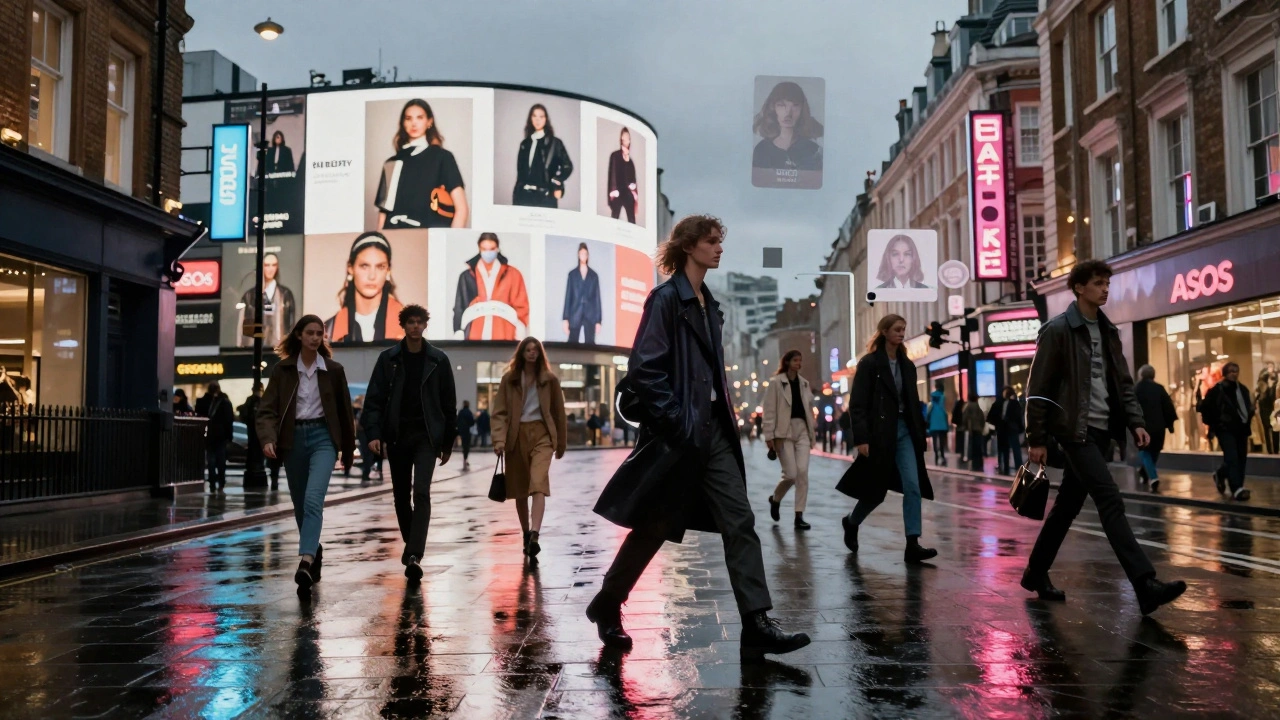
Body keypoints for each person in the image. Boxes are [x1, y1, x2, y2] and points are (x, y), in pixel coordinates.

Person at [589, 215, 810, 661]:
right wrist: (676, 422)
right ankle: (607, 603)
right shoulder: (666, 300)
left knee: (740, 521)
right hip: (681, 433)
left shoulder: (711, 305)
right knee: (653, 526)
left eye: (719, 242)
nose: (719, 248)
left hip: (715, 431)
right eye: (711, 242)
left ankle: (756, 623)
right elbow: (645, 369)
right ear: (689, 247)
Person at [1022, 259, 1186, 615]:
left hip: (1099, 432)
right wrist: (1036, 438)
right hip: (1074, 432)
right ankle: (1145, 584)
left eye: (1107, 283)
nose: (1105, 289)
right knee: (1110, 499)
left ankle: (1035, 572)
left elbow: (1123, 386)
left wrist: (1136, 422)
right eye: (1098, 283)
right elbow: (1037, 390)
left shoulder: (1109, 332)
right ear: (1079, 288)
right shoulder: (1058, 330)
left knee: (1067, 507)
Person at [257, 315, 356, 590]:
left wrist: (347, 450)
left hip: (323, 438)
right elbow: (266, 410)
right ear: (299, 335)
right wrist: (268, 438)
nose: (315, 338)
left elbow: (346, 414)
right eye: (310, 333)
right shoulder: (283, 370)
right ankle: (315, 549)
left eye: (320, 334)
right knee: (300, 505)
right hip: (293, 440)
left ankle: (306, 560)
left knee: (314, 499)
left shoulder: (334, 370)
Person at [361, 304, 458, 582]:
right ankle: (412, 548)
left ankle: (414, 554)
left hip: (427, 436)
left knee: (422, 493)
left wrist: (448, 440)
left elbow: (448, 403)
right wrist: (374, 434)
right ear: (403, 325)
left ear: (425, 325)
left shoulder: (438, 360)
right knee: (401, 496)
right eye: (410, 322)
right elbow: (374, 400)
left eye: (419, 322)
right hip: (397, 435)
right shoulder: (388, 359)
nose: (415, 326)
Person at [836, 314, 938, 564]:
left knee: (913, 486)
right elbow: (857, 404)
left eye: (904, 329)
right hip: (880, 434)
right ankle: (851, 522)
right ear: (884, 332)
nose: (902, 333)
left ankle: (912, 543)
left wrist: (920, 433)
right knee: (875, 491)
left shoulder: (908, 364)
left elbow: (913, 403)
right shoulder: (870, 364)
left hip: (905, 431)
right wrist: (862, 438)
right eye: (897, 329)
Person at [492, 337, 567, 559]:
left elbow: (559, 414)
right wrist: (499, 440)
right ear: (522, 353)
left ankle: (535, 533)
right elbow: (500, 412)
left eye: (536, 350)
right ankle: (526, 533)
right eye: (528, 349)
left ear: (540, 354)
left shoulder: (550, 380)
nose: (532, 353)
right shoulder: (510, 379)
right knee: (520, 491)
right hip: (516, 436)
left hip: (542, 435)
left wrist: (560, 443)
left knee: (538, 484)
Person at [375, 99, 469, 229]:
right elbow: (383, 214)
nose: (414, 123)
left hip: (428, 237)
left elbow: (462, 209)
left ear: (429, 122)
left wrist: (448, 243)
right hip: (394, 236)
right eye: (408, 118)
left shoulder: (443, 157)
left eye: (419, 117)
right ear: (403, 123)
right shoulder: (391, 163)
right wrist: (379, 241)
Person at [762, 349, 816, 530]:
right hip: (783, 432)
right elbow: (769, 411)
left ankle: (799, 515)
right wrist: (769, 436)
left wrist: (812, 430)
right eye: (795, 360)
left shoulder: (804, 384)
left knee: (802, 473)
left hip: (802, 431)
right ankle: (775, 499)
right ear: (787, 362)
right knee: (791, 474)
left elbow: (808, 410)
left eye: (800, 360)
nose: (798, 363)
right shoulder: (776, 383)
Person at [326, 232, 404, 344]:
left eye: (380, 267)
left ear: (388, 271)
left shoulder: (409, 327)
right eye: (364, 266)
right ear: (350, 268)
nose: (372, 276)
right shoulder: (329, 330)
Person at [452, 233, 530, 341]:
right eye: (484, 249)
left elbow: (521, 304)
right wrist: (458, 330)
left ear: (497, 248)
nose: (488, 252)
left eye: (492, 249)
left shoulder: (513, 274)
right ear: (479, 249)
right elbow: (460, 306)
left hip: (504, 330)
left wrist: (520, 327)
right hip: (475, 331)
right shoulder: (467, 276)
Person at [1199, 361, 1253, 502]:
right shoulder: (1218, 389)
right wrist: (1213, 425)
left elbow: (1247, 408)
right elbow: (1206, 408)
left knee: (1241, 458)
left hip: (1241, 429)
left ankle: (1222, 475)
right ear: (1225, 373)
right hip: (1225, 429)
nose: (1234, 373)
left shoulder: (1242, 389)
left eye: (1236, 370)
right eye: (1231, 371)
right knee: (1232, 457)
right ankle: (1236, 488)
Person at [752, 81, 823, 172]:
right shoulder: (761, 150)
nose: (788, 113)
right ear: (773, 108)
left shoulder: (813, 151)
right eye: (781, 105)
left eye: (795, 106)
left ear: (802, 110)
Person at [512, 104, 573, 208]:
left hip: (545, 197)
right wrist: (516, 195)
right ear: (530, 118)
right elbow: (520, 173)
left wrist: (558, 182)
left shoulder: (555, 143)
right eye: (534, 116)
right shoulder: (525, 144)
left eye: (541, 116)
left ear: (546, 119)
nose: (537, 120)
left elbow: (567, 166)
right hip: (523, 196)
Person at [238, 252, 297, 349]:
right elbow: (243, 329)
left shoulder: (286, 295)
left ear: (277, 267)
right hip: (254, 350)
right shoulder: (249, 296)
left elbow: (292, 325)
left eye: (273, 265)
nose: (270, 269)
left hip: (280, 349)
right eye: (267, 265)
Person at [1135, 364, 1177, 493]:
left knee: (1145, 451)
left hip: (1143, 426)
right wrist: (1170, 425)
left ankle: (1152, 476)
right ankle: (1146, 471)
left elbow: (1131, 406)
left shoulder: (1136, 389)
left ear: (1140, 375)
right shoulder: (1160, 389)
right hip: (1159, 426)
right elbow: (1168, 408)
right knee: (1155, 450)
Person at [195, 381, 234, 492]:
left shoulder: (202, 402)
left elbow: (199, 417)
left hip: (208, 434)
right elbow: (229, 420)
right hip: (221, 435)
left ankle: (212, 481)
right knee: (221, 459)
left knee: (210, 459)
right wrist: (229, 436)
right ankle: (221, 481)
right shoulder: (225, 402)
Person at [563, 243, 603, 345]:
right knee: (572, 344)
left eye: (585, 253)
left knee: (590, 344)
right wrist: (565, 318)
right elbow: (568, 297)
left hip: (590, 314)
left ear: (588, 255)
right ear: (578, 255)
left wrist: (598, 321)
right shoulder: (572, 275)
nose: (583, 256)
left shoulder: (593, 276)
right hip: (575, 313)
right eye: (581, 253)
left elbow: (597, 299)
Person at [987, 386, 1025, 475]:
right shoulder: (1000, 403)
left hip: (1010, 429)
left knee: (1012, 449)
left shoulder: (1013, 403)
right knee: (1004, 449)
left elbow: (1018, 416)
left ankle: (1015, 468)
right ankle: (1004, 467)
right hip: (1004, 429)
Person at [607, 127, 639, 223]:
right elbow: (612, 174)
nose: (625, 140)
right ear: (621, 139)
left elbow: (632, 177)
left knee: (631, 218)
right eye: (623, 138)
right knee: (615, 215)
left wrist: (633, 186)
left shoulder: (630, 160)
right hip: (618, 191)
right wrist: (613, 190)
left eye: (627, 138)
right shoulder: (615, 156)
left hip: (628, 192)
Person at [926, 380, 949, 466]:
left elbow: (928, 412)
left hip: (934, 424)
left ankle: (936, 456)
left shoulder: (932, 399)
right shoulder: (943, 397)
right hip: (942, 422)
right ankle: (942, 456)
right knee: (942, 441)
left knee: (935, 441)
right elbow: (944, 410)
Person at [962, 398, 986, 472]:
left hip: (971, 430)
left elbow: (965, 418)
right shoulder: (978, 408)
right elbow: (983, 419)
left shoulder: (968, 407)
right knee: (978, 448)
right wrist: (981, 427)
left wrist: (965, 426)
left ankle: (974, 465)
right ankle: (980, 464)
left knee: (972, 447)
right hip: (978, 430)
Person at [457, 400, 476, 471]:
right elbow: (472, 422)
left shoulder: (461, 412)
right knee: (467, 445)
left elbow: (457, 421)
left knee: (464, 444)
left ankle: (464, 458)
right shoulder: (469, 412)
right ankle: (465, 457)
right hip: (467, 431)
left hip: (462, 431)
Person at [951, 396, 967, 463]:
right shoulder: (963, 410)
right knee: (963, 441)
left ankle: (960, 453)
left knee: (959, 441)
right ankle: (963, 454)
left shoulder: (956, 409)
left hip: (958, 428)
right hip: (963, 427)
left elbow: (953, 419)